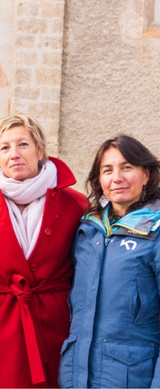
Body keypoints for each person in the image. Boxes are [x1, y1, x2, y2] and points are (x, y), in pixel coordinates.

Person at [0, 114, 87, 388]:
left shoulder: (74, 203)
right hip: (2, 321)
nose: (14, 154)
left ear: (40, 150)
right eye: (5, 147)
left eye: (23, 144)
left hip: (56, 319)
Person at [59, 134, 160, 388]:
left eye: (127, 167)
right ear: (99, 179)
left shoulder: (155, 231)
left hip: (133, 378)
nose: (117, 178)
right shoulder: (87, 231)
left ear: (146, 174)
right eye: (107, 170)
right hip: (78, 374)